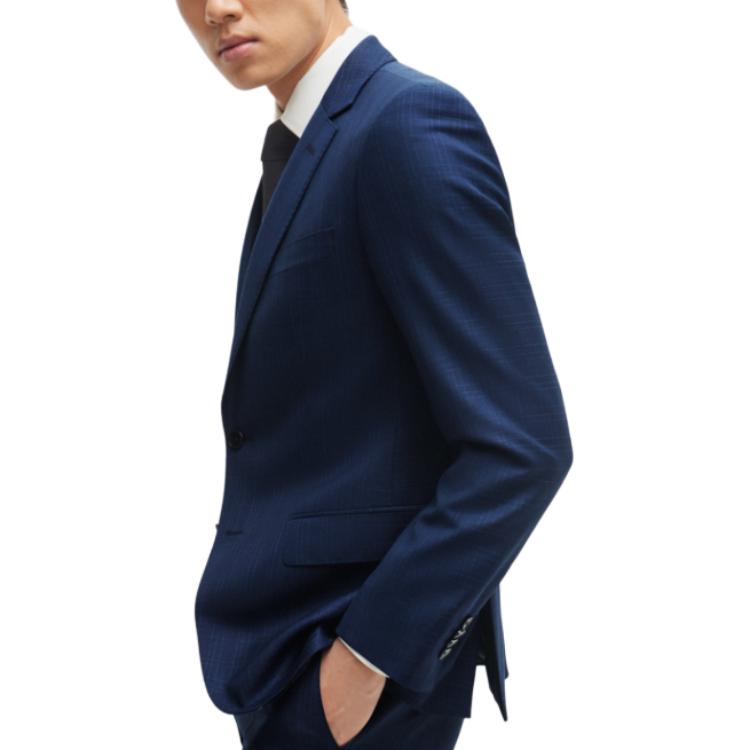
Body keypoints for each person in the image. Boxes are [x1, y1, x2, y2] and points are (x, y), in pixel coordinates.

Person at [175, 1, 573, 747]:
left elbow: (523, 447)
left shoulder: (406, 125)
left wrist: (366, 659)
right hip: (282, 655)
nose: (217, 9)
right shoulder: (314, 138)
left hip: (365, 677)